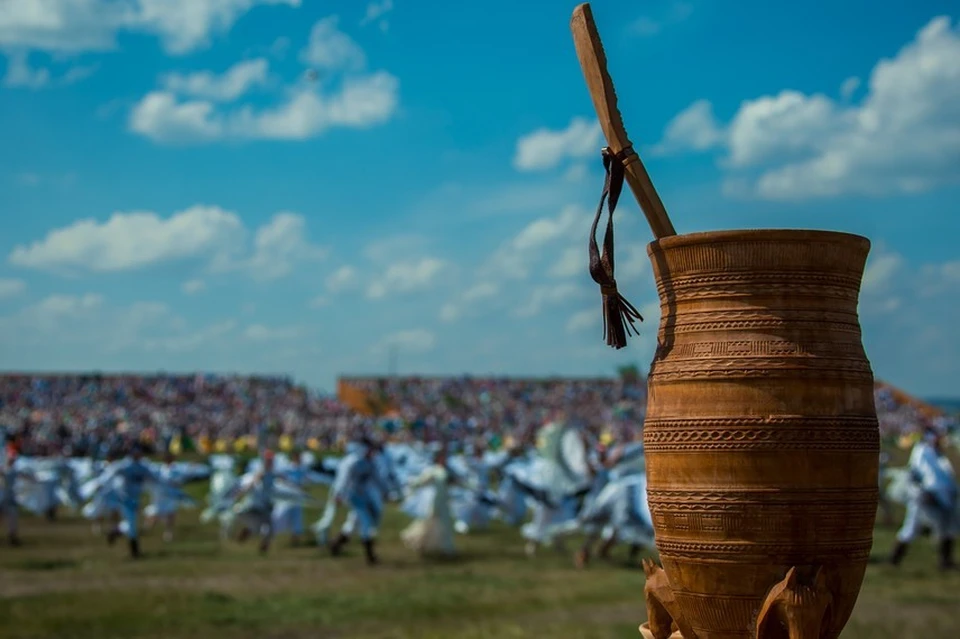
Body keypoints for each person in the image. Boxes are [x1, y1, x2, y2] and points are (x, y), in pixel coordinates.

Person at [890, 429, 959, 570]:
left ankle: (945, 561)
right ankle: (894, 559)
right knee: (911, 528)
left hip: (942, 497)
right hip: (926, 497)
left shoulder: (938, 455)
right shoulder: (922, 452)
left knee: (946, 528)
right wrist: (922, 492)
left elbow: (946, 477)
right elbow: (916, 475)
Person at [327, 438, 388, 565]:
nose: (372, 452)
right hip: (353, 496)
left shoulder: (370, 462)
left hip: (364, 496)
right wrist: (338, 495)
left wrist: (385, 490)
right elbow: (342, 480)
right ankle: (370, 556)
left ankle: (335, 544)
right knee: (365, 522)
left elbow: (377, 478)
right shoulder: (352, 462)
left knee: (353, 523)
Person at [99, 443, 162, 559]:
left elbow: (154, 478)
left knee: (131, 523)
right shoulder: (125, 466)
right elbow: (110, 474)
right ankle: (135, 551)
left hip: (135, 499)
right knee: (132, 524)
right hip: (125, 499)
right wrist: (101, 484)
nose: (138, 455)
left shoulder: (143, 466)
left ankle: (115, 531)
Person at [401, 446, 457, 558]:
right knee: (428, 524)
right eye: (442, 457)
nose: (445, 459)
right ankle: (419, 542)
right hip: (435, 503)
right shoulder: (433, 471)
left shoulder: (447, 471)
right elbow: (420, 481)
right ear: (437, 458)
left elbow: (454, 482)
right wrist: (411, 484)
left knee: (445, 525)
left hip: (443, 502)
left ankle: (447, 549)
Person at [233, 450, 277, 555]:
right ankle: (247, 534)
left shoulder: (271, 475)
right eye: (268, 460)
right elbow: (246, 488)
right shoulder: (257, 473)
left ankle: (263, 548)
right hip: (253, 506)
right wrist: (255, 480)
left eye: (271, 460)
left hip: (264, 507)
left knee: (268, 528)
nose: (270, 462)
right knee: (260, 527)